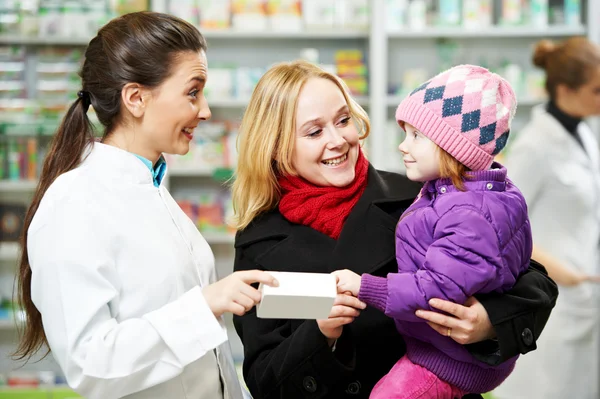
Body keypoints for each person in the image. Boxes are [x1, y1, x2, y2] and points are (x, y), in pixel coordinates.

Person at [231, 60, 558, 399]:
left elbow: (531, 279)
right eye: (314, 132)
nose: (339, 140)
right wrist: (320, 334)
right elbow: (264, 380)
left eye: (344, 120)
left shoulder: (420, 195)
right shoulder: (259, 242)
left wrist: (489, 322)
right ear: (276, 147)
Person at [13, 11, 278, 399]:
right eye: (193, 92)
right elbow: (90, 363)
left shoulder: (153, 189)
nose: (204, 110)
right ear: (136, 98)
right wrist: (204, 306)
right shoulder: (73, 203)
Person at [333, 65, 532, 398]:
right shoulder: (456, 192)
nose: (402, 146)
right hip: (447, 352)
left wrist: (365, 287)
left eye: (415, 136)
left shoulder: (468, 212)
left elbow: (438, 290)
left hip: (448, 361)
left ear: (454, 147)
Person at [493, 37, 600, 399]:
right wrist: (559, 270)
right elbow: (502, 226)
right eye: (597, 89)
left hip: (585, 294)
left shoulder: (584, 132)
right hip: (550, 294)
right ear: (566, 90)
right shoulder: (535, 146)